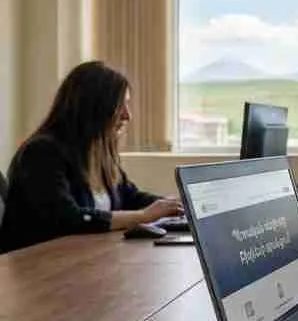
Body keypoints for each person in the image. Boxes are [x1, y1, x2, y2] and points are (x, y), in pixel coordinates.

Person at [0, 61, 182, 253]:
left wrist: (175, 206)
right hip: (38, 268)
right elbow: (67, 219)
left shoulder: (98, 153)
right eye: (120, 105)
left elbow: (130, 196)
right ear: (93, 106)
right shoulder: (41, 153)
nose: (127, 116)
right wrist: (144, 216)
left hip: (80, 260)